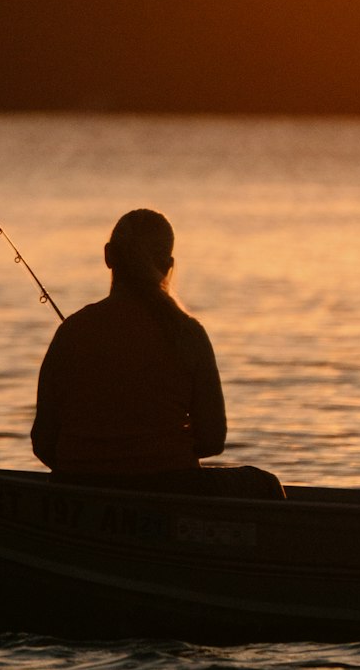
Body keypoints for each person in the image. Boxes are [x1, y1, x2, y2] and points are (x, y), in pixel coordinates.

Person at [31, 209, 284, 499]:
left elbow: (43, 442)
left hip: (77, 488)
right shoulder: (188, 333)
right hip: (169, 489)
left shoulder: (71, 331)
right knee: (265, 484)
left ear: (109, 255)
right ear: (168, 265)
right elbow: (212, 440)